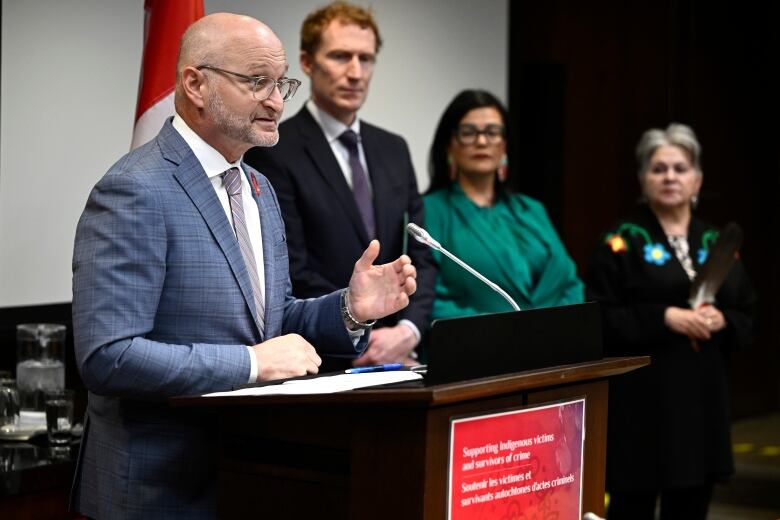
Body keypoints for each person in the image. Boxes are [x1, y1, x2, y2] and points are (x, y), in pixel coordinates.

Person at [70, 13, 417, 519]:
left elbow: (270, 321)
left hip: (250, 477)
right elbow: (109, 357)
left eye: (281, 84)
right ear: (195, 84)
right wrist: (253, 365)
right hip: (155, 492)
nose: (276, 101)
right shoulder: (135, 189)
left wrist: (349, 310)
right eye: (257, 82)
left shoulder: (257, 187)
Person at [244, 1, 435, 369]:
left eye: (365, 59)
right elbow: (290, 272)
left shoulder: (393, 148)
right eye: (340, 56)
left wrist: (408, 330)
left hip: (398, 354)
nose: (355, 72)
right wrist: (358, 324)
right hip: (326, 356)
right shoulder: (275, 150)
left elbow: (423, 256)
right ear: (307, 62)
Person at [584, 123, 755, 520]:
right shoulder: (621, 239)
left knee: (692, 506)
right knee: (633, 506)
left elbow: (748, 312)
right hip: (642, 403)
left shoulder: (716, 241)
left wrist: (722, 319)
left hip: (701, 401)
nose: (670, 177)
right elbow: (598, 316)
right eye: (659, 168)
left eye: (680, 168)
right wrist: (664, 317)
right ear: (643, 179)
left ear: (697, 180)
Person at [423, 89, 583, 323]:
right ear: (450, 145)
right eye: (468, 132)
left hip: (556, 347)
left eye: (493, 132)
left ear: (505, 145)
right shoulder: (428, 211)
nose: (481, 141)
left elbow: (571, 283)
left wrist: (549, 328)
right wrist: (505, 331)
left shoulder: (532, 210)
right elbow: (427, 300)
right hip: (477, 350)